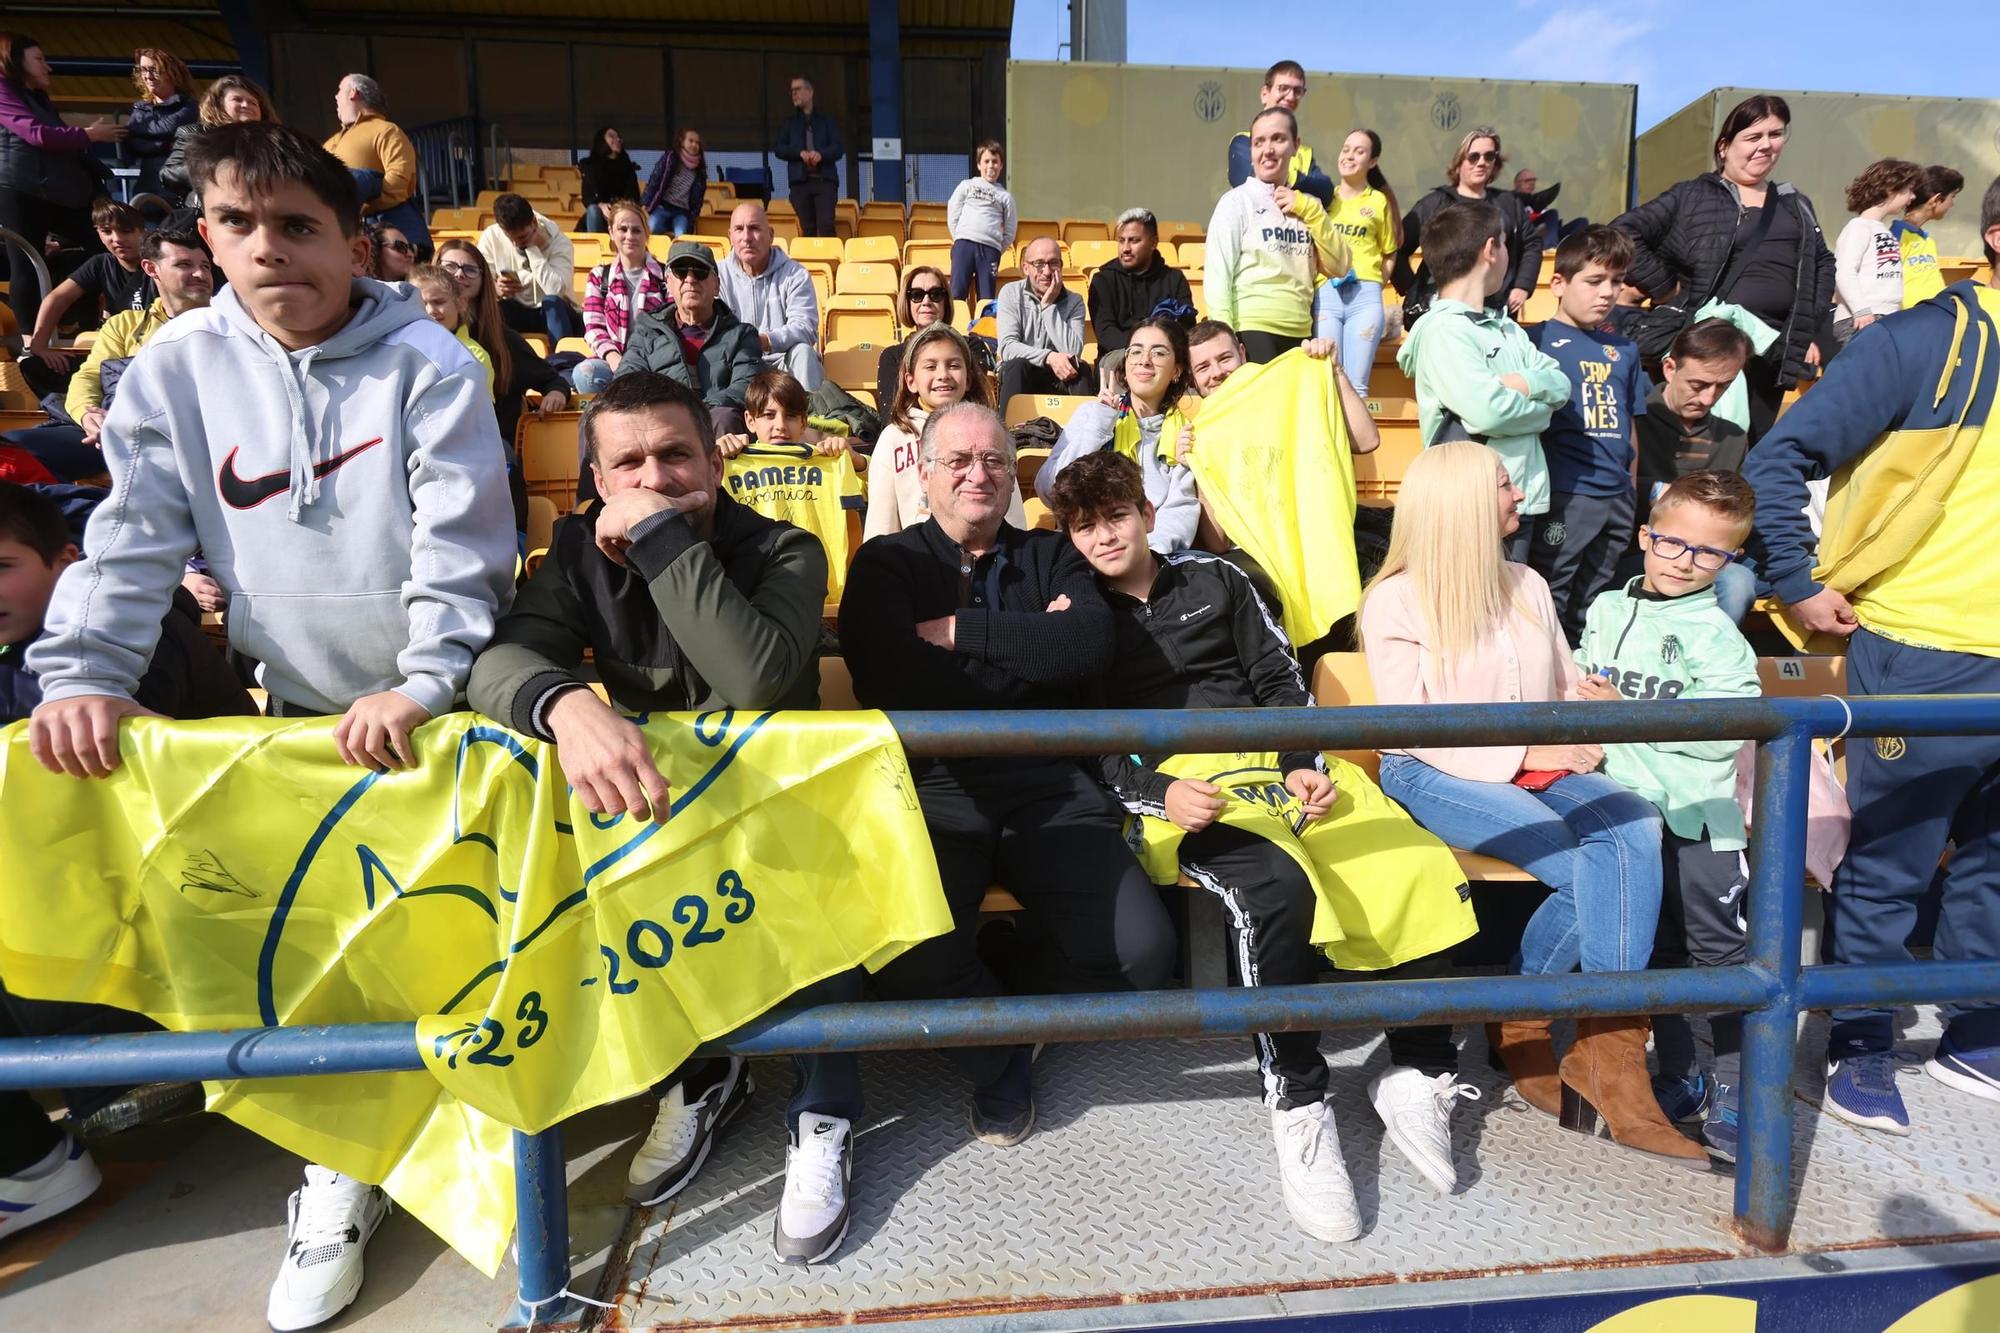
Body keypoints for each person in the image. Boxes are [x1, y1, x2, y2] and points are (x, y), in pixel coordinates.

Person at [23, 120, 514, 1332]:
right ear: (202, 236)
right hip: (292, 714)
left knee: (449, 941)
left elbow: (462, 553)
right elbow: (129, 534)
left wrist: (421, 682)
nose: (267, 250)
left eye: (298, 226)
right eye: (238, 225)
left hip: (428, 712)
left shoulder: (433, 366)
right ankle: (341, 1172)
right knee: (320, 956)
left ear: (354, 239)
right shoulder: (175, 369)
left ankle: (476, 1135)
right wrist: (82, 669)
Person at [465, 370, 859, 1263]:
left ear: (714, 460)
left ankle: (824, 1109)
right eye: (629, 464)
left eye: (675, 455)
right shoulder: (571, 552)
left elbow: (755, 677)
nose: (655, 475)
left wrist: (653, 537)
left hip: (784, 818)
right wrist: (566, 703)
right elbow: (495, 667)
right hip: (660, 814)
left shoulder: (788, 548)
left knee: (816, 933)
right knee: (623, 894)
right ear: (596, 478)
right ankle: (702, 1078)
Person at [1053, 452, 1481, 1220]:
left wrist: (1299, 762)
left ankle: (1416, 1072)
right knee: (1274, 888)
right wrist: (1157, 793)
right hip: (1185, 788)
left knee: (1409, 861)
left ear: (1147, 512)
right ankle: (1298, 1100)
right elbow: (1092, 740)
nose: (1104, 536)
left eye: (1115, 515)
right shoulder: (1081, 616)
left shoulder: (1221, 578)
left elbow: (1281, 680)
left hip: (1278, 764)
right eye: (1084, 525)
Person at [839, 401, 1178, 1145]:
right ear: (923, 474)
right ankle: (1002, 1057)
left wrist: (965, 634)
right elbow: (892, 676)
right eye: (957, 460)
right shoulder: (887, 561)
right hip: (933, 790)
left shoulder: (1051, 553)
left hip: (1050, 786)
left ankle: (1003, 977)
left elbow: (1087, 647)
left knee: (1146, 956)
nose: (978, 473)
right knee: (900, 957)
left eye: (994, 458)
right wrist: (1034, 651)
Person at [1357, 442, 1699, 1168]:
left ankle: (1584, 1046)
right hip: (1433, 769)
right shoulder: (1396, 597)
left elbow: (1559, 682)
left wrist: (1593, 703)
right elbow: (1407, 727)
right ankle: (1569, 1044)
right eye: (1506, 484)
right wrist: (1524, 755)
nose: (1522, 495)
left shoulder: (1528, 582)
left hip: (1533, 763)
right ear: (1460, 505)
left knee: (1633, 822)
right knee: (1589, 859)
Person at [1742, 176, 2000, 1137]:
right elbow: (1779, 455)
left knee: (1994, 859)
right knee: (1890, 863)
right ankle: (1855, 1044)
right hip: (1926, 647)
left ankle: (1976, 1034)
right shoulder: (1919, 340)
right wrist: (1796, 578)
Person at [0, 480, 256, 1239]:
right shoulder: (20, 646)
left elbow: (80, 805)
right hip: (106, 908)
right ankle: (34, 1158)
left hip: (208, 917)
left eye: (3, 564)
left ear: (69, 562)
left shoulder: (131, 640)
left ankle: (36, 1162)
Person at [1573, 470, 1760, 1163]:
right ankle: (1687, 1074)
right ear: (1646, 535)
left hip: (1700, 820)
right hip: (1629, 816)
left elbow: (1726, 730)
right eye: (1672, 542)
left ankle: (1740, 1087)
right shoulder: (1604, 607)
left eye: (1707, 552)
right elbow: (1583, 681)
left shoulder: (1719, 638)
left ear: (1730, 561)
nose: (1684, 560)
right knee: (1659, 953)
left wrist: (1625, 716)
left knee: (1721, 957)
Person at [1613, 94, 1835, 443]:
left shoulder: (1796, 203)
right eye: (1753, 137)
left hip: (1769, 351)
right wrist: (1668, 289)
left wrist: (1805, 328)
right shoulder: (1693, 196)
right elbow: (1621, 233)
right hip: (1705, 343)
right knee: (1695, 450)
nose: (1766, 145)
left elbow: (1823, 263)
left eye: (1775, 135)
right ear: (1724, 146)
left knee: (1748, 449)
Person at [1396, 200, 1569, 562]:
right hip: (1472, 507)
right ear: (1491, 249)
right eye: (1505, 243)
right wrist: (1542, 412)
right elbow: (1488, 412)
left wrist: (1519, 383)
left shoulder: (1506, 327)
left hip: (1522, 501)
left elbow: (1560, 384)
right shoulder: (1445, 331)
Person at [3, 227, 211, 482]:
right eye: (184, 265)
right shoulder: (124, 324)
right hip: (112, 433)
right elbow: (89, 376)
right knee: (12, 452)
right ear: (151, 269)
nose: (200, 274)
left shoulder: (229, 324)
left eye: (206, 266)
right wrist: (88, 414)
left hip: (189, 438)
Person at [1524, 226, 1651, 639]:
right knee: (1550, 598)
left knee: (1595, 603)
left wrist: (1628, 492)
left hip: (1615, 496)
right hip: (1566, 492)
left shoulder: (1625, 351)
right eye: (1594, 281)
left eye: (1616, 282)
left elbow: (1629, 423)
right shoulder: (1533, 339)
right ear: (1558, 283)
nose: (1607, 293)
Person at [1034, 315, 1201, 552]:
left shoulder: (1182, 433)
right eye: (1135, 351)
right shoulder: (1093, 414)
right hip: (1085, 551)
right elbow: (1050, 491)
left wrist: (1146, 557)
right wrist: (1100, 425)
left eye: (1159, 353)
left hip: (1150, 559)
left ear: (1177, 370)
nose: (1145, 361)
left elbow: (1179, 510)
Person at [435, 237, 570, 522]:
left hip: (491, 451)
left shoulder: (500, 339)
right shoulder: (414, 336)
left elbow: (550, 379)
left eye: (470, 269)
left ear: (483, 280)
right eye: (450, 266)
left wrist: (556, 392)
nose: (459, 274)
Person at [1631, 319, 1756, 623]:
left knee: (1738, 582)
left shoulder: (1733, 437)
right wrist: (1656, 491)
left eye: (1723, 386)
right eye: (1698, 385)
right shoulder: (1632, 422)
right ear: (1670, 368)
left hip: (1705, 566)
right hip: (1635, 554)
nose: (1708, 399)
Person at [0, 32, 125, 334]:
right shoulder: (3, 89)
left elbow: (54, 137)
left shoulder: (37, 97)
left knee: (105, 246)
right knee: (27, 265)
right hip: (20, 190)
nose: (48, 67)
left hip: (59, 192)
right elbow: (37, 135)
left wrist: (82, 134)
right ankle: (32, 344)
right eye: (40, 59)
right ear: (16, 61)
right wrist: (90, 134)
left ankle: (98, 321)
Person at [1208, 107, 1348, 364]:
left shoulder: (1308, 206)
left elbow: (1340, 266)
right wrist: (1224, 341)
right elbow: (1218, 277)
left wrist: (1309, 209)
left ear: (1296, 145)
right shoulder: (1236, 202)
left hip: (1302, 337)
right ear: (1251, 151)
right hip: (1250, 332)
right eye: (1258, 142)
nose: (1267, 150)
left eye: (1278, 139)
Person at [863, 323, 1016, 539]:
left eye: (953, 365)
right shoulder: (894, 437)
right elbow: (881, 525)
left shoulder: (992, 433)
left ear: (969, 378)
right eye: (931, 366)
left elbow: (1014, 519)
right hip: (916, 562)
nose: (943, 374)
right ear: (911, 381)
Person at [1391, 127, 1542, 324]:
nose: (1482, 163)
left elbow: (1532, 243)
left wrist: (1523, 285)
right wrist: (1412, 288)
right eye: (1473, 157)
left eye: (1489, 156)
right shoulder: (1434, 203)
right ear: (1459, 161)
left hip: (1495, 314)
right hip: (1441, 315)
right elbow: (1397, 247)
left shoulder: (1509, 203)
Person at [616, 238, 763, 437]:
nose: (690, 279)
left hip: (713, 419)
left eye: (700, 272)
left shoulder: (741, 335)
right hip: (657, 418)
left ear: (717, 284)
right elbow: (626, 379)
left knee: (725, 418)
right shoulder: (647, 331)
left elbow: (746, 386)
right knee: (594, 417)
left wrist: (696, 410)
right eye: (681, 271)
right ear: (668, 282)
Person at [24, 199, 151, 378]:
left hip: (150, 353)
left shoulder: (160, 263)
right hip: (114, 354)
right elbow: (58, 298)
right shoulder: (100, 263)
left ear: (143, 232)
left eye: (126, 231)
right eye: (107, 231)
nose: (116, 239)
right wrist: (40, 347)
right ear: (98, 232)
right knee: (36, 367)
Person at [1315, 130, 1399, 395]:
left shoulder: (1378, 201)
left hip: (1365, 296)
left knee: (1357, 386)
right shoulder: (1325, 198)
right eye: (1346, 148)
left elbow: (1390, 251)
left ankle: (1356, 438)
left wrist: (1375, 282)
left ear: (1373, 161)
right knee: (1328, 382)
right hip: (1327, 293)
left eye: (1359, 151)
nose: (1349, 155)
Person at [718, 201, 824, 389]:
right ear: (730, 236)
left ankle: (811, 417)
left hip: (783, 362)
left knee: (804, 352)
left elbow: (805, 328)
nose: (747, 237)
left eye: (754, 228)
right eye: (739, 229)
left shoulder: (795, 274)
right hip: (737, 363)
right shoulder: (717, 275)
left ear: (771, 235)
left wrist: (765, 341)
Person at [322, 73, 428, 256]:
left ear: (353, 93)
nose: (335, 97)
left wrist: (360, 206)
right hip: (338, 231)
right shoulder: (331, 142)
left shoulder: (387, 130)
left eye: (339, 90)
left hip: (381, 235)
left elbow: (400, 181)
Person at [574, 199, 669, 395]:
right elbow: (594, 327)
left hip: (654, 362)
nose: (629, 236)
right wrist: (614, 358)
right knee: (584, 375)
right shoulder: (599, 276)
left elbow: (673, 327)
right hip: (613, 362)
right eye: (622, 229)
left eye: (636, 230)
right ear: (611, 232)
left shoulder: (666, 276)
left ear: (646, 233)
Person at [1086, 207, 1193, 368]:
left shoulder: (1175, 279)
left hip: (1164, 357)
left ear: (1154, 242)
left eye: (1134, 240)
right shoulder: (1103, 280)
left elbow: (1187, 327)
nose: (1125, 248)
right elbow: (1106, 334)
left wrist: (1156, 353)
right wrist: (1142, 352)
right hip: (1119, 358)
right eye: (1121, 240)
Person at [1833, 159, 1926, 342]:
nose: (1912, 197)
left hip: (1885, 318)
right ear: (1890, 189)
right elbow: (1844, 272)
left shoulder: (1882, 230)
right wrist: (1861, 310)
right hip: (1862, 319)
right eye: (1909, 190)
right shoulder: (1858, 227)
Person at [997, 236, 1094, 406]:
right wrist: (1048, 356)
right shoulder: (1010, 293)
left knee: (1081, 368)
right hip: (1023, 373)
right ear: (1025, 268)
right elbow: (1007, 347)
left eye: (1053, 263)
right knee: (1016, 365)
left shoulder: (1074, 301)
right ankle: (1006, 430)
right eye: (1039, 264)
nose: (1047, 272)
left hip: (1059, 375)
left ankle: (1086, 431)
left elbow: (1073, 351)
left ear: (1061, 267)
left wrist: (1048, 307)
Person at [159, 72, 275, 212]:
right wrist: (217, 173)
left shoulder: (274, 141)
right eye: (237, 99)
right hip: (208, 213)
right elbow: (169, 173)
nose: (245, 105)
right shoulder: (196, 133)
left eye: (253, 102)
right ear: (219, 105)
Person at [1224, 60, 1332, 208]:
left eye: (1297, 91)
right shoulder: (1243, 141)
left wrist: (1283, 180)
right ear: (1264, 94)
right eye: (1283, 88)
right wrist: (1298, 181)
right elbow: (1250, 181)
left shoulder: (1304, 152)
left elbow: (1325, 191)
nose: (1290, 96)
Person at [478, 192, 582, 344]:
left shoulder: (560, 242)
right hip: (517, 309)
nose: (515, 244)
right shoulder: (491, 237)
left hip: (556, 313)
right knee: (498, 309)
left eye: (521, 237)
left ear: (534, 223)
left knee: (551, 302)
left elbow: (555, 290)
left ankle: (563, 364)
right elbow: (479, 281)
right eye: (510, 238)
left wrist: (533, 249)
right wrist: (496, 289)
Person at [946, 140, 1016, 306]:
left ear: (1001, 166)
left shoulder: (1005, 196)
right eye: (986, 161)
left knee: (986, 298)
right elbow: (953, 212)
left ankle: (982, 331)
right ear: (979, 164)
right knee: (957, 293)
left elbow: (1010, 230)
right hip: (964, 245)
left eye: (995, 162)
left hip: (990, 250)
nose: (991, 166)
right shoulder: (967, 186)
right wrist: (960, 237)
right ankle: (953, 330)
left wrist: (997, 247)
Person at [411, 262, 494, 397]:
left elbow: (478, 410)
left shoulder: (475, 356)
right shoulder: (402, 347)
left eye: (438, 302)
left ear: (460, 303)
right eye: (421, 303)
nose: (430, 311)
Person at [125, 48, 198, 199]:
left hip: (179, 191)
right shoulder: (140, 107)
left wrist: (141, 134)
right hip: (146, 189)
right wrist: (164, 145)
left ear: (172, 73)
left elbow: (167, 128)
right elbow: (133, 143)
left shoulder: (189, 105)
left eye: (154, 70)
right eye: (143, 70)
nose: (148, 76)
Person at [775, 74, 842, 238]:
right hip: (800, 184)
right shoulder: (789, 123)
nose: (794, 94)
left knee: (826, 226)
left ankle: (829, 261)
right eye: (792, 91)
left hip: (824, 182)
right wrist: (799, 153)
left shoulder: (827, 121)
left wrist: (821, 155)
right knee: (808, 229)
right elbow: (779, 149)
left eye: (798, 89)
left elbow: (838, 149)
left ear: (810, 92)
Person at [876, 263, 954, 403]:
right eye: (917, 295)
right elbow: (891, 415)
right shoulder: (893, 356)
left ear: (945, 302)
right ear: (907, 303)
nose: (926, 301)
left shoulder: (971, 347)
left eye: (935, 294)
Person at [1895, 165, 1963, 309]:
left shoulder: (1928, 240)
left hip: (1934, 317)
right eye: (1952, 197)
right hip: (1907, 320)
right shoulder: (1896, 237)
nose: (1952, 204)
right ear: (1936, 200)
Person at [642, 126, 708, 237]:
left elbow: (698, 200)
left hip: (681, 212)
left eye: (697, 143)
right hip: (662, 207)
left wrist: (691, 220)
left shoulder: (699, 170)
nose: (694, 145)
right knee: (650, 229)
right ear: (682, 142)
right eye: (691, 141)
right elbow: (655, 181)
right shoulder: (670, 158)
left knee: (681, 235)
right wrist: (645, 203)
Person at [578, 125, 641, 233]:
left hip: (622, 213)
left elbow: (634, 197)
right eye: (611, 136)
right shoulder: (590, 167)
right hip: (600, 216)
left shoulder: (628, 168)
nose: (617, 140)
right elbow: (587, 196)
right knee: (593, 210)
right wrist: (600, 205)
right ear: (602, 141)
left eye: (618, 137)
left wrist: (618, 208)